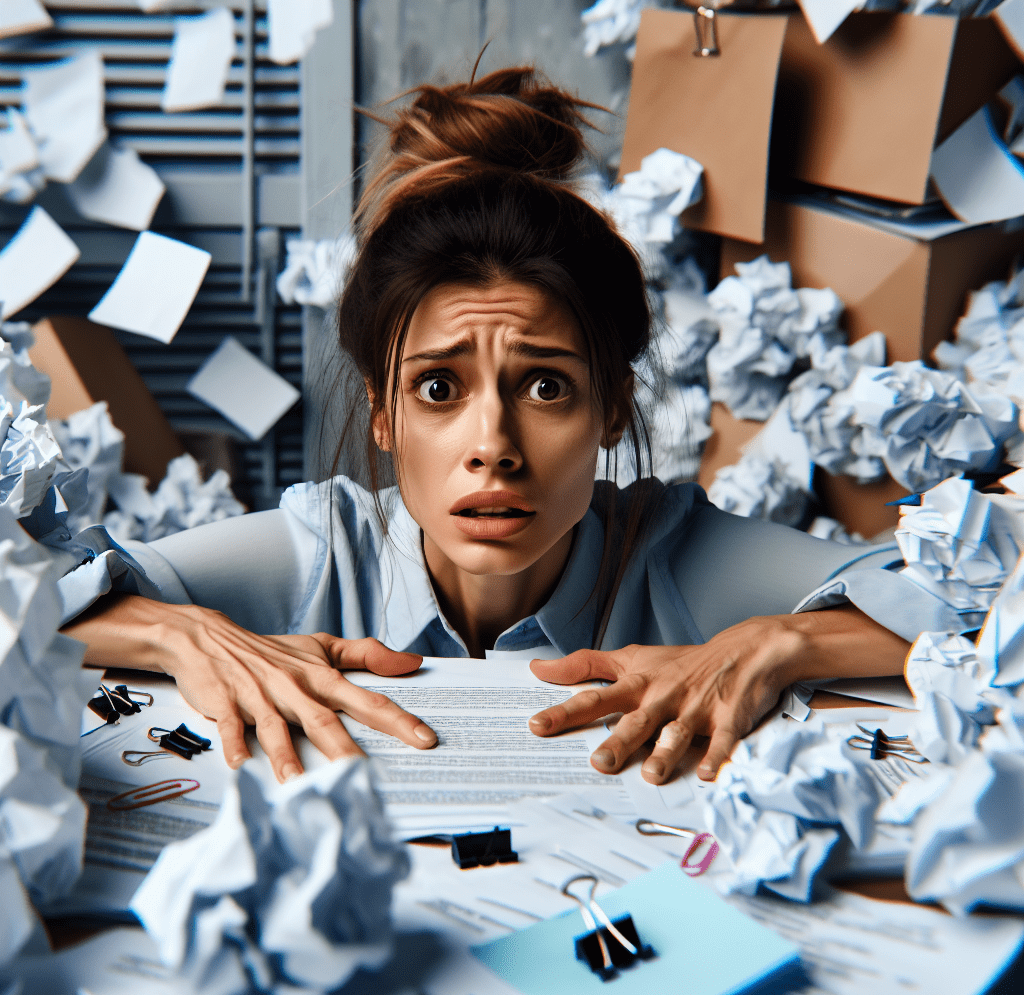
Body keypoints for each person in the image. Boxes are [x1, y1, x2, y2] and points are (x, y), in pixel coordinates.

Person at [60, 67, 955, 791]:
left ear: (611, 408)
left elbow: (986, 603)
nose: (493, 444)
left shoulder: (676, 552)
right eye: (440, 387)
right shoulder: (324, 547)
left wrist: (786, 641)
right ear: (382, 413)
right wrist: (181, 634)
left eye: (547, 388)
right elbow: (26, 594)